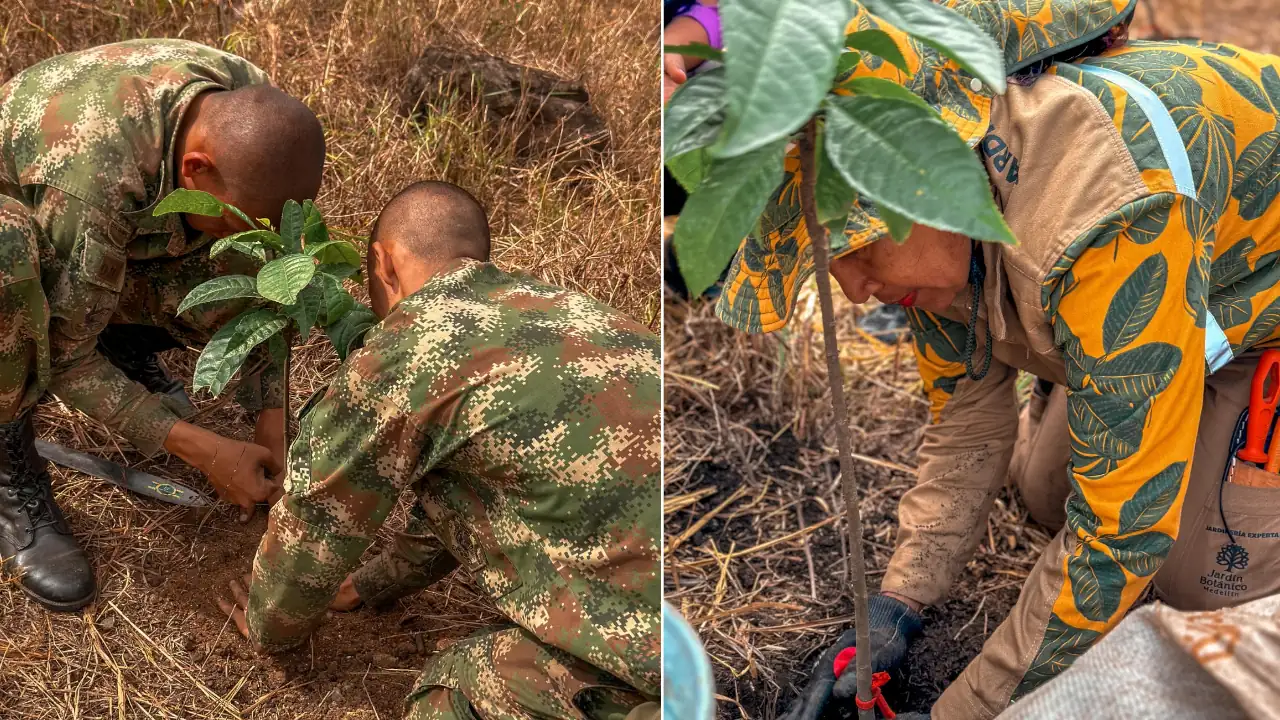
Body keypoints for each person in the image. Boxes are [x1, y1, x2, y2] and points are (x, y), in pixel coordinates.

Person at [711, 0, 1280, 716]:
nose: (857, 292)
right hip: (1170, 292)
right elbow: (968, 426)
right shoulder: (943, 229)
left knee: (1191, 574)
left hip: (1255, 311)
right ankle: (1112, 379)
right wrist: (895, 606)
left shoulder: (1101, 219)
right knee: (1046, 496)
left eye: (853, 250)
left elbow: (1121, 537)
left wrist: (965, 709)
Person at [216, 181, 662, 720]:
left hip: (669, 662)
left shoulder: (406, 349)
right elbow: (479, 489)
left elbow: (318, 520)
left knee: (462, 686)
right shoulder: (581, 314)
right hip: (741, 605)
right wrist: (373, 584)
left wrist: (271, 624)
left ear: (382, 265)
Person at [0, 38, 326, 611]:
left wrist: (270, 426)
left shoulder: (250, 103)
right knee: (6, 261)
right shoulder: (90, 185)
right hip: (27, 220)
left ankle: (119, 337)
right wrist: (206, 452)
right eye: (229, 218)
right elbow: (68, 359)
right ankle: (6, 459)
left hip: (91, 219)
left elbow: (269, 267)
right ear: (195, 168)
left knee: (237, 258)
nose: (234, 231)